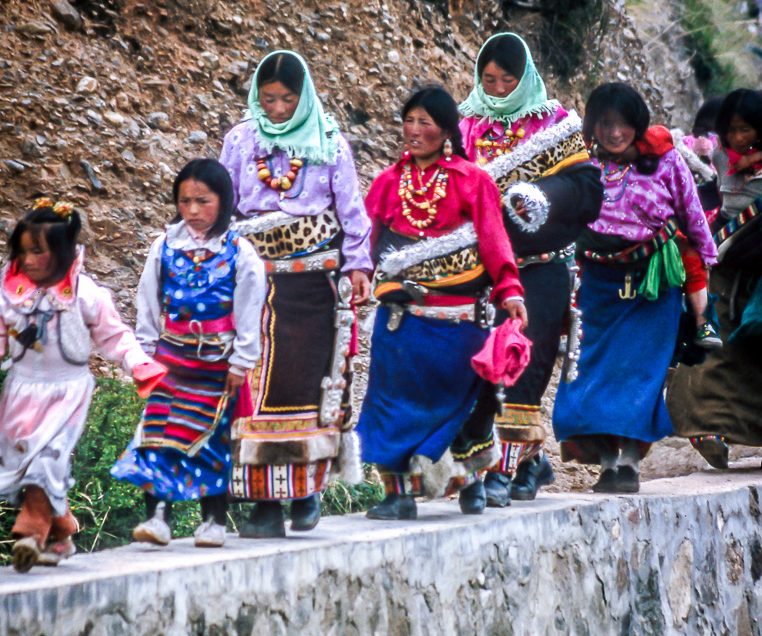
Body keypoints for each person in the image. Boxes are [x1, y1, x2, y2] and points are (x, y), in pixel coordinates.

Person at [219, 50, 372, 538]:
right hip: (252, 282)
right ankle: (262, 505)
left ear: (303, 96)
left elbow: (353, 217)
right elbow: (224, 207)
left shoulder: (329, 144)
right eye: (269, 99)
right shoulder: (241, 141)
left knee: (306, 390)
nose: (279, 108)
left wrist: (359, 267)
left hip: (312, 285)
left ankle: (305, 493)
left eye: (288, 99)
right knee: (256, 393)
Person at [356, 85, 527, 520]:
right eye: (408, 121)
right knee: (390, 406)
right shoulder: (386, 183)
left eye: (424, 123)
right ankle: (397, 495)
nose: (413, 131)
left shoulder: (474, 181)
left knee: (459, 404)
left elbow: (494, 242)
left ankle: (469, 478)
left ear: (445, 131)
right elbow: (366, 244)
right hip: (402, 320)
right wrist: (355, 275)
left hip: (456, 322)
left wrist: (509, 291)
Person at [458, 32, 603, 505]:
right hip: (480, 272)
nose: (497, 88)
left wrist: (542, 196)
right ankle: (525, 463)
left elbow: (586, 188)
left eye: (508, 80)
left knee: (521, 365)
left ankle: (499, 474)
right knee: (479, 365)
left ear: (526, 79)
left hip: (540, 269)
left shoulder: (555, 126)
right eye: (489, 79)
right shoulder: (464, 128)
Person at [552, 83, 717, 493]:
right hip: (598, 285)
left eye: (623, 123)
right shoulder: (584, 165)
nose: (614, 132)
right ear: (593, 125)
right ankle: (608, 462)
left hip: (653, 284)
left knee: (637, 374)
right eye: (605, 123)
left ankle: (627, 463)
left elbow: (691, 212)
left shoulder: (665, 162)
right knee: (592, 371)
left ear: (637, 123)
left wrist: (706, 260)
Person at [0, 198, 162, 572]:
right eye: (23, 252)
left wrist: (139, 364)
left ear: (61, 252)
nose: (29, 260)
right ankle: (62, 531)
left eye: (37, 251)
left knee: (48, 459)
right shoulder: (12, 295)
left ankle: (29, 535)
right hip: (21, 390)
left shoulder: (85, 294)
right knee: (24, 465)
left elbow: (115, 336)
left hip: (66, 393)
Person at [111, 159, 266, 548]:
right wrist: (144, 355)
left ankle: (213, 520)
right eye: (185, 201)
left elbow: (250, 311)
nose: (193, 211)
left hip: (216, 367)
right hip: (171, 362)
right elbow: (147, 303)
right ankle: (157, 516)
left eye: (204, 201)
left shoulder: (240, 252)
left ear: (224, 201)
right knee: (156, 436)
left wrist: (242, 361)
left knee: (211, 440)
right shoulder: (164, 247)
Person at [668, 88, 762, 468]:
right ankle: (706, 427)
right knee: (712, 342)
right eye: (732, 130)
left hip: (754, 261)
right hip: (727, 256)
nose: (739, 138)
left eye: (747, 129)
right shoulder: (721, 158)